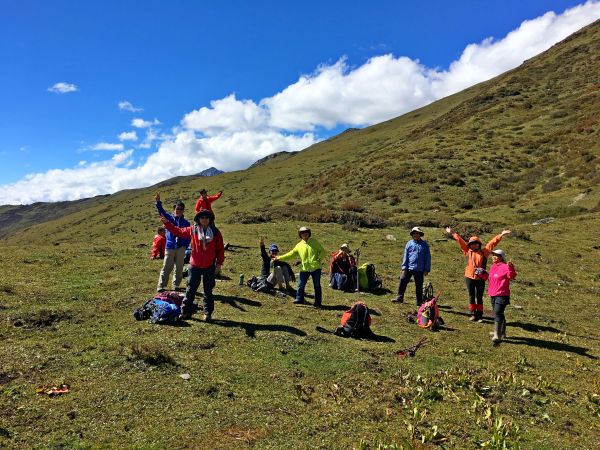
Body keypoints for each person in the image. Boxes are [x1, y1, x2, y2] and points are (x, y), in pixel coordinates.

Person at [160, 209, 225, 321]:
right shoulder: (193, 230)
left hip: (209, 266)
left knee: (208, 291)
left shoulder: (216, 233)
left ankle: (207, 313)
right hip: (194, 266)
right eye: (202, 217)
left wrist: (219, 265)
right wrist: (166, 223)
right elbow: (178, 231)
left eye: (206, 217)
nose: (204, 219)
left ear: (210, 219)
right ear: (198, 219)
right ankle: (185, 312)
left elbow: (220, 250)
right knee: (190, 290)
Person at [445, 227, 511, 322]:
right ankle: (473, 314)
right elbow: (460, 241)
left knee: (479, 297)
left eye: (476, 244)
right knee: (471, 296)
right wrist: (452, 233)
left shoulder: (484, 252)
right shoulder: (467, 251)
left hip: (480, 278)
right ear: (470, 245)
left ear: (479, 244)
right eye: (472, 244)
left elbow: (492, 243)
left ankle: (479, 315)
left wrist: (501, 235)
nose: (474, 246)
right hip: (469, 277)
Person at [276, 226, 325, 307]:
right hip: (304, 268)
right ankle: (299, 299)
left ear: (309, 233)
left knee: (317, 285)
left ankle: (318, 303)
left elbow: (322, 251)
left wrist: (319, 259)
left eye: (306, 232)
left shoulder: (314, 242)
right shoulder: (299, 245)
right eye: (302, 232)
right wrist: (279, 257)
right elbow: (291, 254)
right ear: (300, 234)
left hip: (315, 268)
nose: (304, 234)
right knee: (301, 284)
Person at [154, 193, 191, 292]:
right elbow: (161, 211)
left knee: (179, 268)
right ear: (174, 209)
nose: (178, 210)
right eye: (177, 209)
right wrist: (158, 202)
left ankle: (176, 285)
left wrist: (185, 246)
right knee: (166, 266)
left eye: (180, 209)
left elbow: (189, 235)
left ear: (183, 210)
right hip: (170, 246)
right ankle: (161, 286)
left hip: (181, 248)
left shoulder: (186, 223)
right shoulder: (169, 218)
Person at [479, 249, 517, 343]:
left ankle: (497, 335)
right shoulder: (493, 266)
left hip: (502, 294)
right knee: (499, 313)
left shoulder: (505, 266)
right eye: (493, 255)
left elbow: (512, 276)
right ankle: (502, 333)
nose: (494, 257)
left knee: (497, 313)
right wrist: (481, 273)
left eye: (496, 255)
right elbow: (490, 278)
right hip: (493, 293)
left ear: (501, 257)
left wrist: (511, 267)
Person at [392, 227, 431, 305]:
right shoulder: (409, 243)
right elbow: (405, 256)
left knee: (419, 285)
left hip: (420, 269)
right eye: (414, 233)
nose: (415, 235)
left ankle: (419, 301)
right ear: (412, 235)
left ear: (420, 234)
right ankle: (399, 298)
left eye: (417, 233)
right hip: (408, 268)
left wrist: (426, 269)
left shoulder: (425, 245)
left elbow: (428, 257)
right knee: (402, 281)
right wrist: (404, 267)